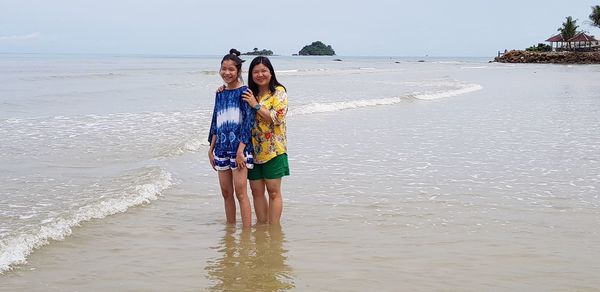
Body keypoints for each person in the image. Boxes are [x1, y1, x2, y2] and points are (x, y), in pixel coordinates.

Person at [208, 49, 255, 228]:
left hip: (239, 150)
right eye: (223, 69)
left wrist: (241, 150)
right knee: (226, 193)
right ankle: (230, 230)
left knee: (241, 193)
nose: (227, 73)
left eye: (231, 70)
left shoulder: (245, 93)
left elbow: (248, 124)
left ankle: (246, 234)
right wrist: (210, 149)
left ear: (238, 72)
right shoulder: (220, 93)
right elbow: (215, 121)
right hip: (221, 148)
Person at [241, 56, 289, 225]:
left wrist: (255, 105)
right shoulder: (249, 93)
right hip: (253, 150)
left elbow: (276, 118)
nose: (260, 75)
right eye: (256, 71)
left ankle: (274, 228)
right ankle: (262, 227)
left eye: (264, 71)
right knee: (256, 192)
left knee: (274, 192)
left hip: (274, 149)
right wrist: (221, 89)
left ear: (270, 72)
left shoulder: (279, 92)